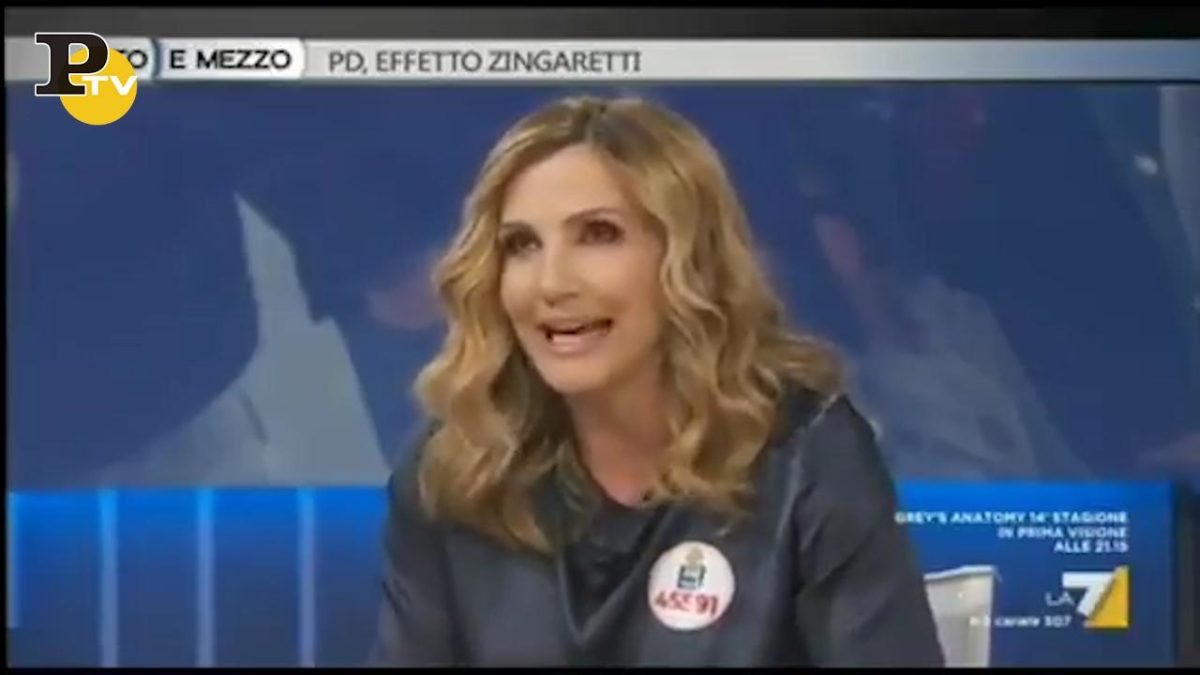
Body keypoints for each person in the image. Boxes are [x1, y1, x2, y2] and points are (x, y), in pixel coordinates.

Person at [368, 94, 944, 667]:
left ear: (687, 260)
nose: (551, 283)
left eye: (598, 234)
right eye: (521, 245)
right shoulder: (453, 471)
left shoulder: (808, 457)